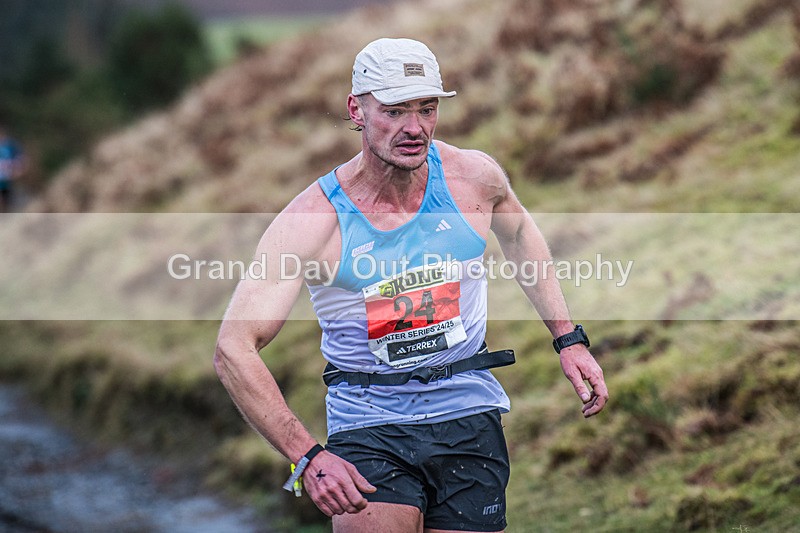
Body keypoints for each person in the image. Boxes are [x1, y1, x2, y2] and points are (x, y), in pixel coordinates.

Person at [215, 38, 608, 533]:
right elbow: (234, 348)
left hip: (468, 412)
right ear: (356, 110)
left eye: (427, 108)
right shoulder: (314, 221)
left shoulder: (474, 179)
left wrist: (568, 339)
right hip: (369, 424)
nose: (415, 128)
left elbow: (520, 234)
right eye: (395, 111)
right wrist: (307, 456)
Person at [0, 124, 25, 213]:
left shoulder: (11, 145)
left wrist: (19, 170)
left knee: (10, 200)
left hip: (9, 178)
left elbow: (21, 158)